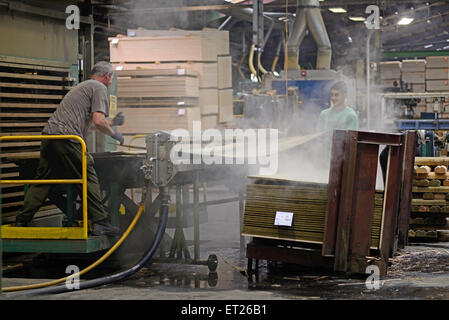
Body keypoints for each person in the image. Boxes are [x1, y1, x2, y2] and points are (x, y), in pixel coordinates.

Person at [15, 61, 125, 237]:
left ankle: (22, 219)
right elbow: (98, 120)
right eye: (111, 78)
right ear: (107, 76)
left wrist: (113, 122)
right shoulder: (99, 87)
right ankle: (100, 222)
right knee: (86, 175)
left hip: (50, 135)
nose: (111, 81)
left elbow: (93, 122)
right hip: (68, 137)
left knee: (44, 179)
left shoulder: (84, 87)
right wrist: (116, 135)